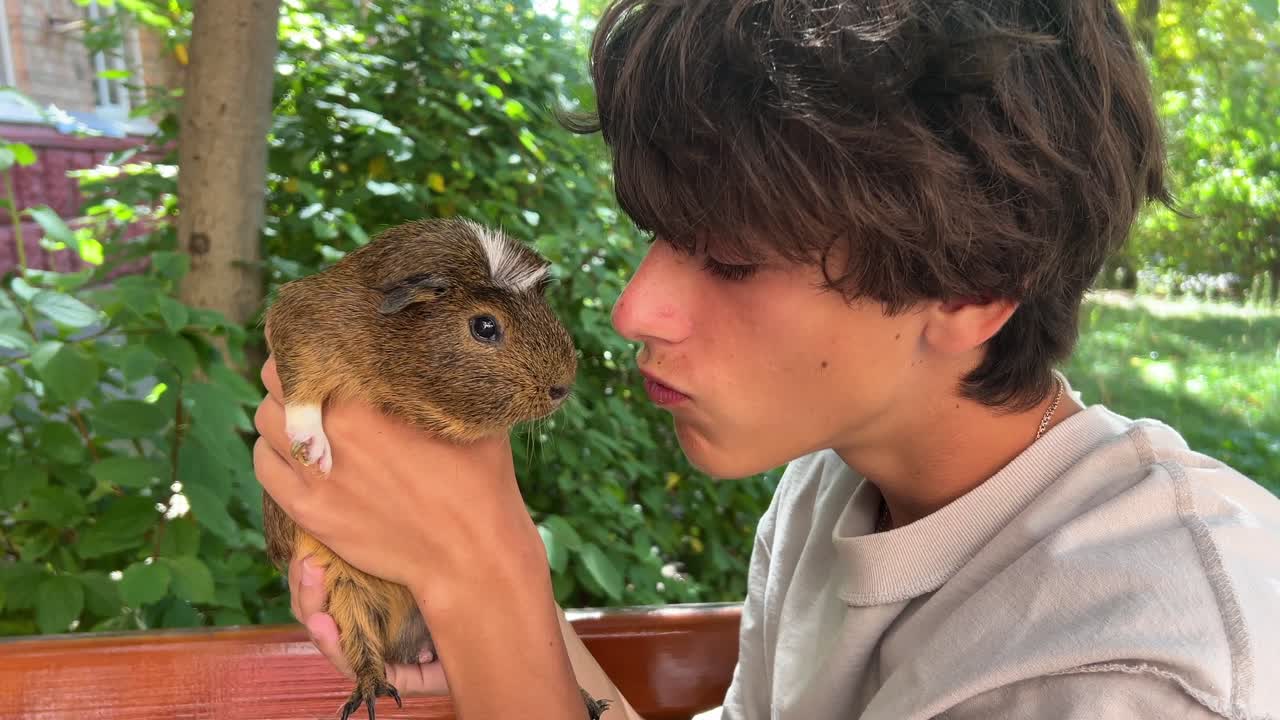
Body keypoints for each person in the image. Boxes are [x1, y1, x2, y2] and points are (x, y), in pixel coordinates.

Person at [252, 0, 1280, 718]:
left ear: (968, 292)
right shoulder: (831, 486)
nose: (631, 308)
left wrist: (484, 575)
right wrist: (486, 623)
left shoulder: (1141, 668)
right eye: (655, 233)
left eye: (731, 263)